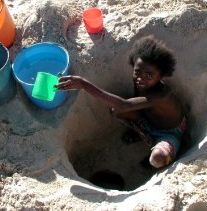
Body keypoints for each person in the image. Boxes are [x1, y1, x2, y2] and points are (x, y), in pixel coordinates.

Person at [56, 35, 186, 168]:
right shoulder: (141, 83)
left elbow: (125, 105)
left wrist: (83, 84)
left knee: (157, 158)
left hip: (169, 133)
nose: (141, 78)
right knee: (116, 110)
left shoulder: (162, 94)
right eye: (137, 71)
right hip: (149, 122)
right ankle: (142, 134)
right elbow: (124, 107)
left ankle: (159, 153)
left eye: (149, 75)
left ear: (161, 76)